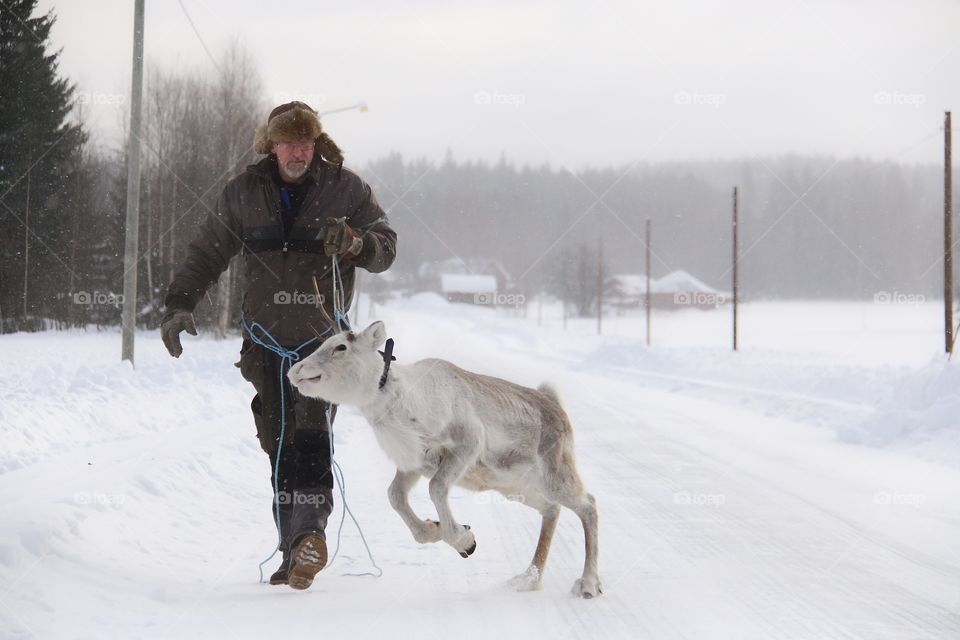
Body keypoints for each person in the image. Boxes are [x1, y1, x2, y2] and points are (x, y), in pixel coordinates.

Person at [160, 101, 397, 590]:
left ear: (316, 145)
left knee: (309, 438)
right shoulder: (246, 191)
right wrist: (180, 303)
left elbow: (386, 246)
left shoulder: (346, 188)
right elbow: (208, 249)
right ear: (271, 145)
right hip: (263, 341)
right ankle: (295, 551)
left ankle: (310, 536)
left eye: (306, 144)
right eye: (289, 144)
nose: (298, 153)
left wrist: (354, 243)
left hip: (325, 347)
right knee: (278, 442)